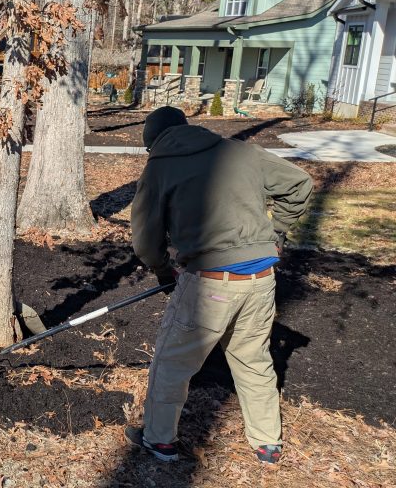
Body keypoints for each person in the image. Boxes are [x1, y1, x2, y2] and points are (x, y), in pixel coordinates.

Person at [126, 106, 312, 465]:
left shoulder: (160, 167)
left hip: (209, 283)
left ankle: (159, 441)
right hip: (261, 279)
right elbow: (299, 184)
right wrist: (276, 233)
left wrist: (165, 273)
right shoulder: (242, 151)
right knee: (253, 360)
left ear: (153, 142)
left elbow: (146, 242)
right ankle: (267, 444)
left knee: (172, 364)